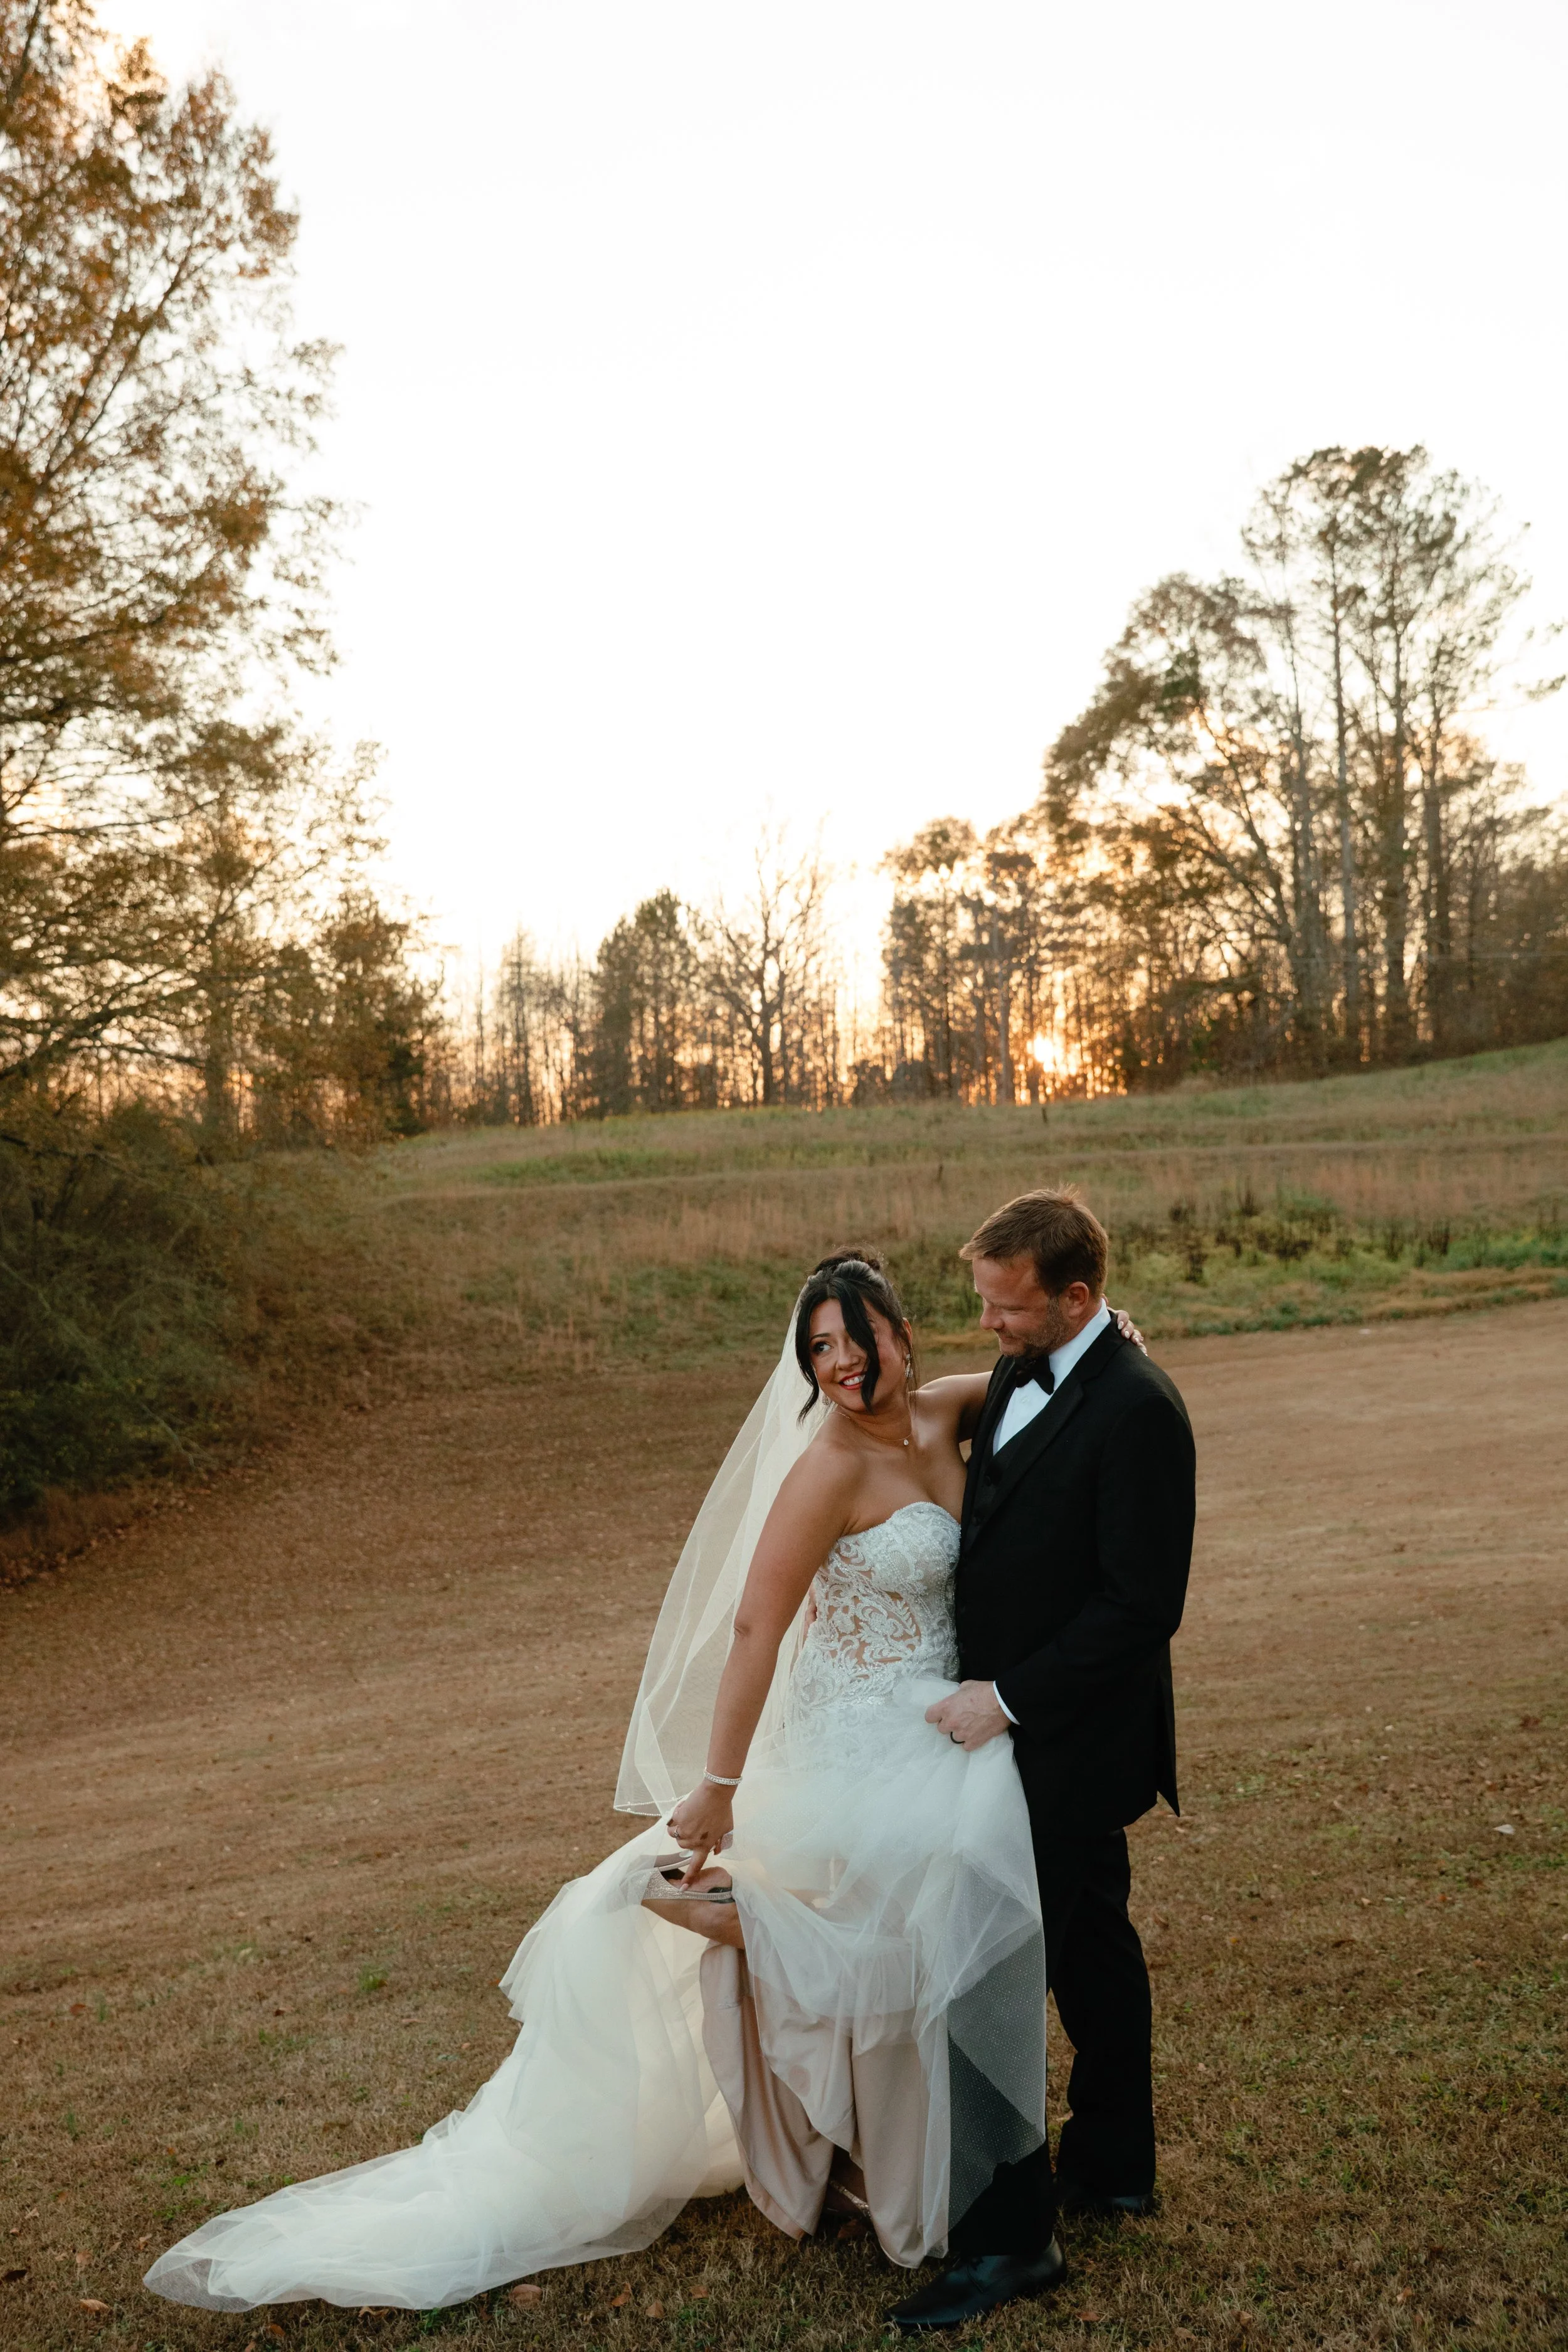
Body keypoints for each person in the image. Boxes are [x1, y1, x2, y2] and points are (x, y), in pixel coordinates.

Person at [145, 1249, 1086, 2314]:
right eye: (817, 1348)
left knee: (928, 1929)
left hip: (936, 1711)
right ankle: (768, 1972)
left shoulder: (942, 1409)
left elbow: (1028, 1376)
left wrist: (1109, 1337)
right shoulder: (825, 1467)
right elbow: (755, 1628)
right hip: (863, 1728)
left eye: (854, 1338)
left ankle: (916, 2142)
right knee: (894, 1931)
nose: (839, 1363)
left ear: (901, 1335)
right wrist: (720, 1781)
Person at [887, 1188, 1195, 2333]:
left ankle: (1029, 2223)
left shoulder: (1141, 1408)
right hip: (1007, 1730)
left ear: (1075, 1295)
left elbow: (1141, 1603)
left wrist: (1008, 1700)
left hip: (1068, 1734)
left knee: (1037, 1952)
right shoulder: (1028, 1367)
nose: (990, 1325)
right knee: (1083, 1943)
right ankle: (1112, 2165)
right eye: (984, 1301)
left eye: (1008, 1306)